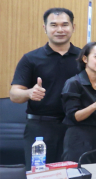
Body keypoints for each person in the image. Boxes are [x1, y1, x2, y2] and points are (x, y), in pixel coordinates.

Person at [10, 8, 82, 166]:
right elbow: (14, 94)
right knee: (39, 176)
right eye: (54, 25)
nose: (60, 30)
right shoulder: (30, 58)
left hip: (75, 127)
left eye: (65, 25)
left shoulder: (84, 58)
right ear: (45, 28)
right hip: (40, 129)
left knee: (73, 176)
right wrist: (29, 93)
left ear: (73, 27)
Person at [60, 42, 96, 164]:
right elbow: (74, 116)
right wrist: (94, 106)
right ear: (85, 59)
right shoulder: (73, 83)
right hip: (78, 137)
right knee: (78, 173)